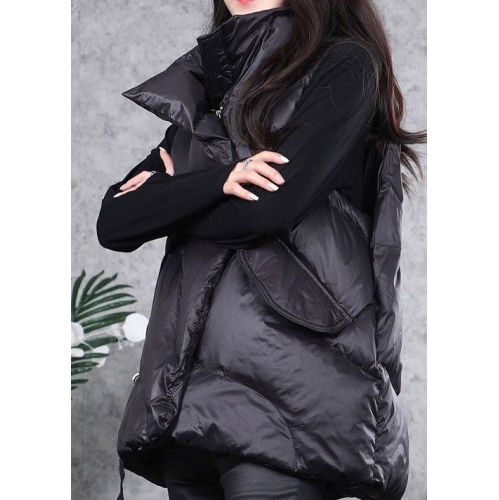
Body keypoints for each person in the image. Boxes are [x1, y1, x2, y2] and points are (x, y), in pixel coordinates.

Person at [96, 1, 426, 499]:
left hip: (287, 411)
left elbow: (265, 212)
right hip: (188, 410)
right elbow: (115, 221)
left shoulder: (346, 64)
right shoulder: (211, 90)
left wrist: (168, 199)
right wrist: (219, 182)